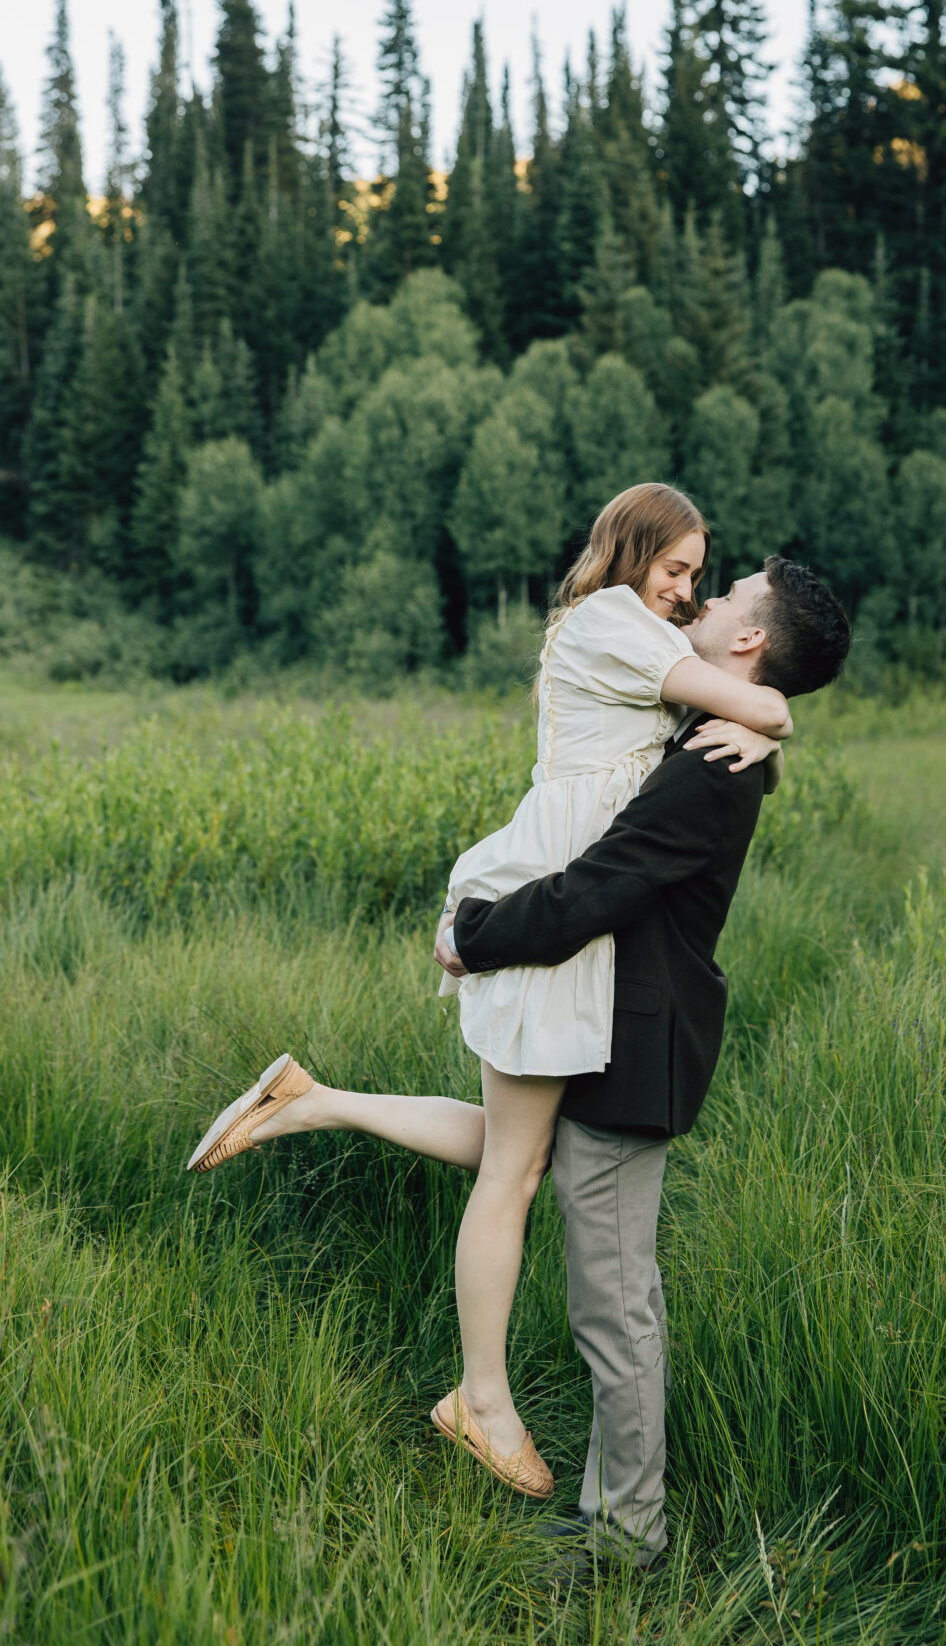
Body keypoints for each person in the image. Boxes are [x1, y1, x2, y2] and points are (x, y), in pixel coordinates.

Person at [186, 483, 792, 1501]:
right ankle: (481, 1398)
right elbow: (759, 697)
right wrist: (772, 722)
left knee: (525, 1149)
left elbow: (719, 718)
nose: (688, 592)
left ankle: (314, 1101)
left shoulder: (636, 637)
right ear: (631, 548)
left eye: (701, 577)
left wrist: (761, 734)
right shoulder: (612, 620)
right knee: (512, 1172)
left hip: (562, 896)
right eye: (677, 568)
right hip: (550, 897)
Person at [434, 555, 851, 1568]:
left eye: (729, 596)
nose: (705, 603)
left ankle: (628, 1533)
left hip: (638, 1051)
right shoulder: (718, 734)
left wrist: (472, 936)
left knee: (615, 1304)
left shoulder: (717, 760)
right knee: (596, 1279)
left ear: (749, 640)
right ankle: (615, 1511)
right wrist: (765, 722)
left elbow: (599, 888)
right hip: (611, 1033)